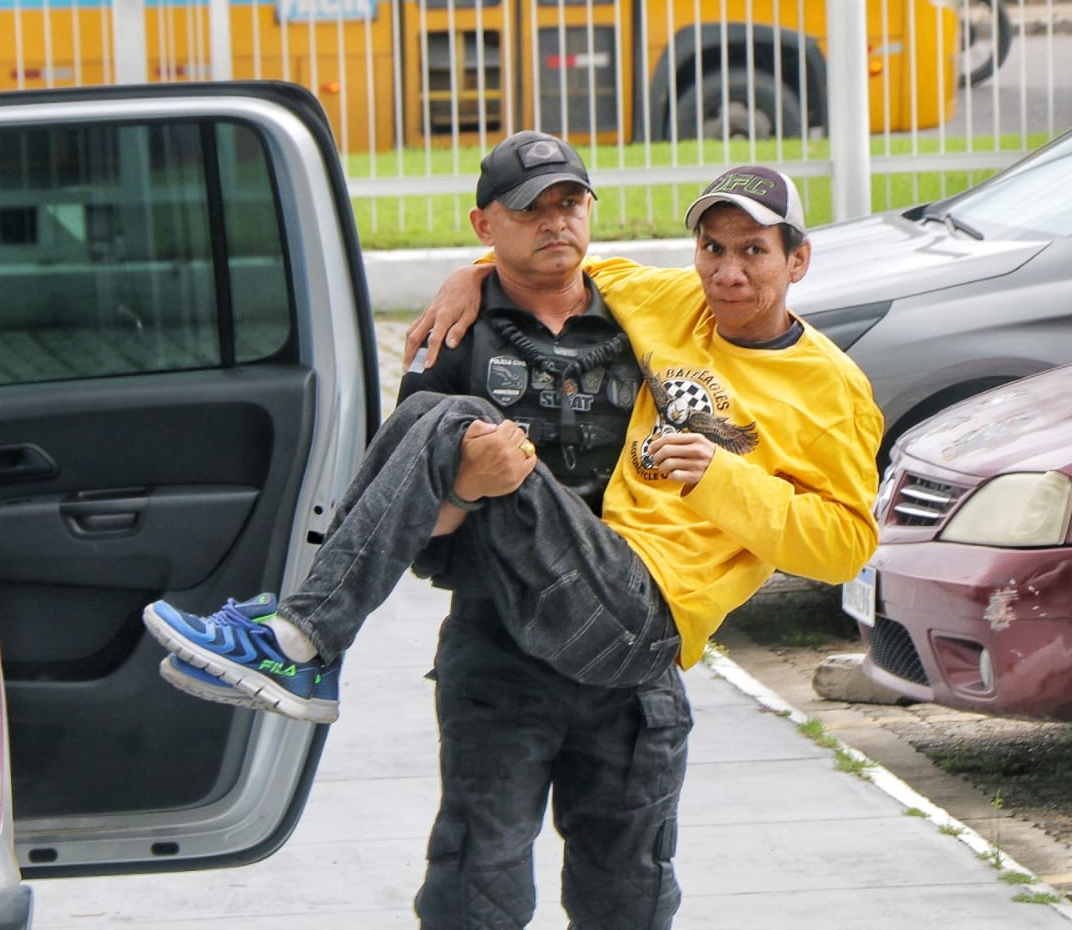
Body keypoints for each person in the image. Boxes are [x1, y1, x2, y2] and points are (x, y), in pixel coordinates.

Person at [143, 158, 883, 922]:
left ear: (796, 258)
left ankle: (302, 640)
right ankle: (302, 638)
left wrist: (723, 480)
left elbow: (845, 547)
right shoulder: (671, 301)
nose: (728, 273)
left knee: (624, 892)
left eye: (754, 252)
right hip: (536, 614)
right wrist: (469, 276)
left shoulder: (830, 387)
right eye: (712, 249)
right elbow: (554, 252)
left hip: (644, 617)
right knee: (474, 887)